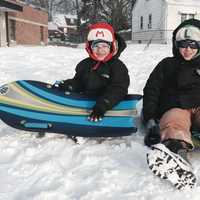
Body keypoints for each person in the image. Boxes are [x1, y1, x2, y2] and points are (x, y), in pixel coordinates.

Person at [143, 19, 200, 189]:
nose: (187, 50)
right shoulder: (167, 65)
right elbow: (151, 90)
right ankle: (177, 158)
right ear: (176, 45)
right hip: (176, 107)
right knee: (173, 124)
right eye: (183, 45)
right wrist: (150, 119)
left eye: (193, 45)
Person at [54, 22, 130, 122]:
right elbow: (79, 81)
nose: (100, 50)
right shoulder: (85, 64)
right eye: (96, 46)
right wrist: (70, 85)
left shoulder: (118, 67)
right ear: (90, 47)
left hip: (106, 105)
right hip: (86, 102)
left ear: (112, 47)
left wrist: (103, 104)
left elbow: (118, 89)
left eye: (104, 46)